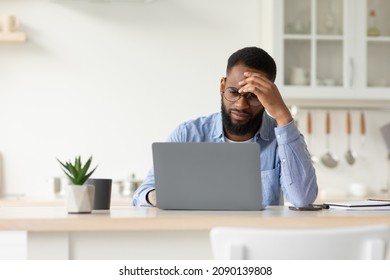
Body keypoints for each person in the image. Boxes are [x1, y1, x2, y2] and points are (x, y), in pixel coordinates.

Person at [133, 46, 318, 207]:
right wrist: (164, 196)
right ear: (222, 86)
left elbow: (302, 199)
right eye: (234, 92)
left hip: (258, 240)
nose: (241, 105)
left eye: (253, 95)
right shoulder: (188, 134)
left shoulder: (282, 139)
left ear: (267, 96)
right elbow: (142, 194)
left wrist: (283, 116)